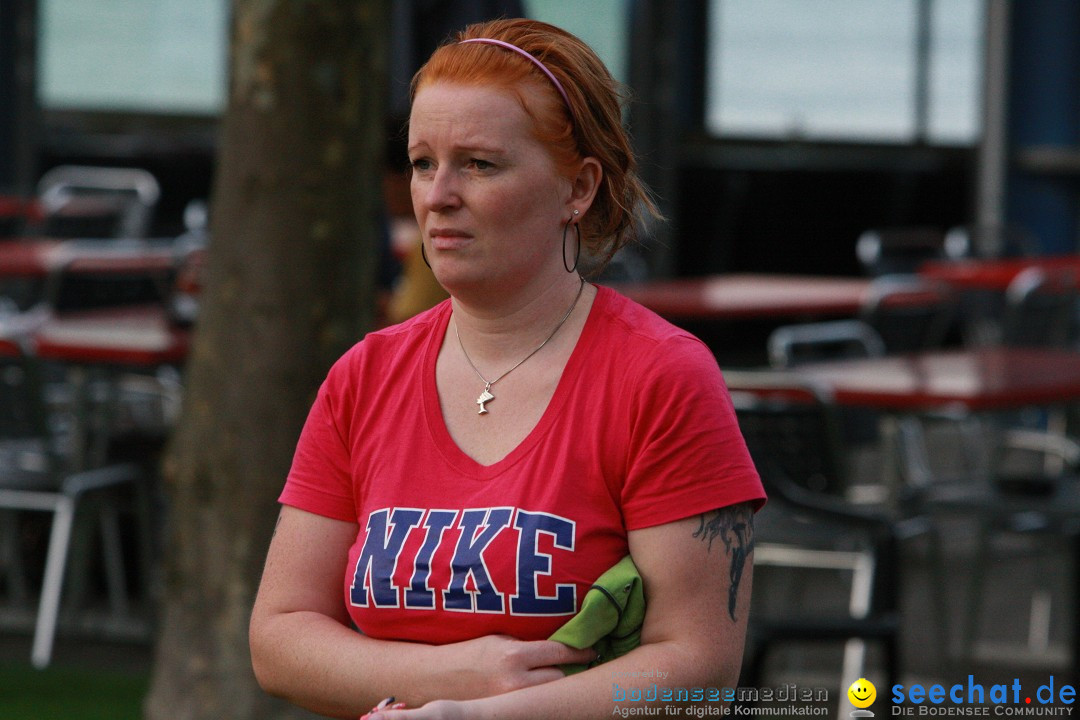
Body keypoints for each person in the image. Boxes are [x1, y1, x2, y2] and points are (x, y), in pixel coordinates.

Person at [249, 18, 766, 720]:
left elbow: (698, 667)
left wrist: (475, 716)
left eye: (480, 164)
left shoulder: (660, 377)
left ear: (577, 189)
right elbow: (279, 637)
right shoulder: (363, 376)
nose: (436, 195)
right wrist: (453, 676)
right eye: (423, 163)